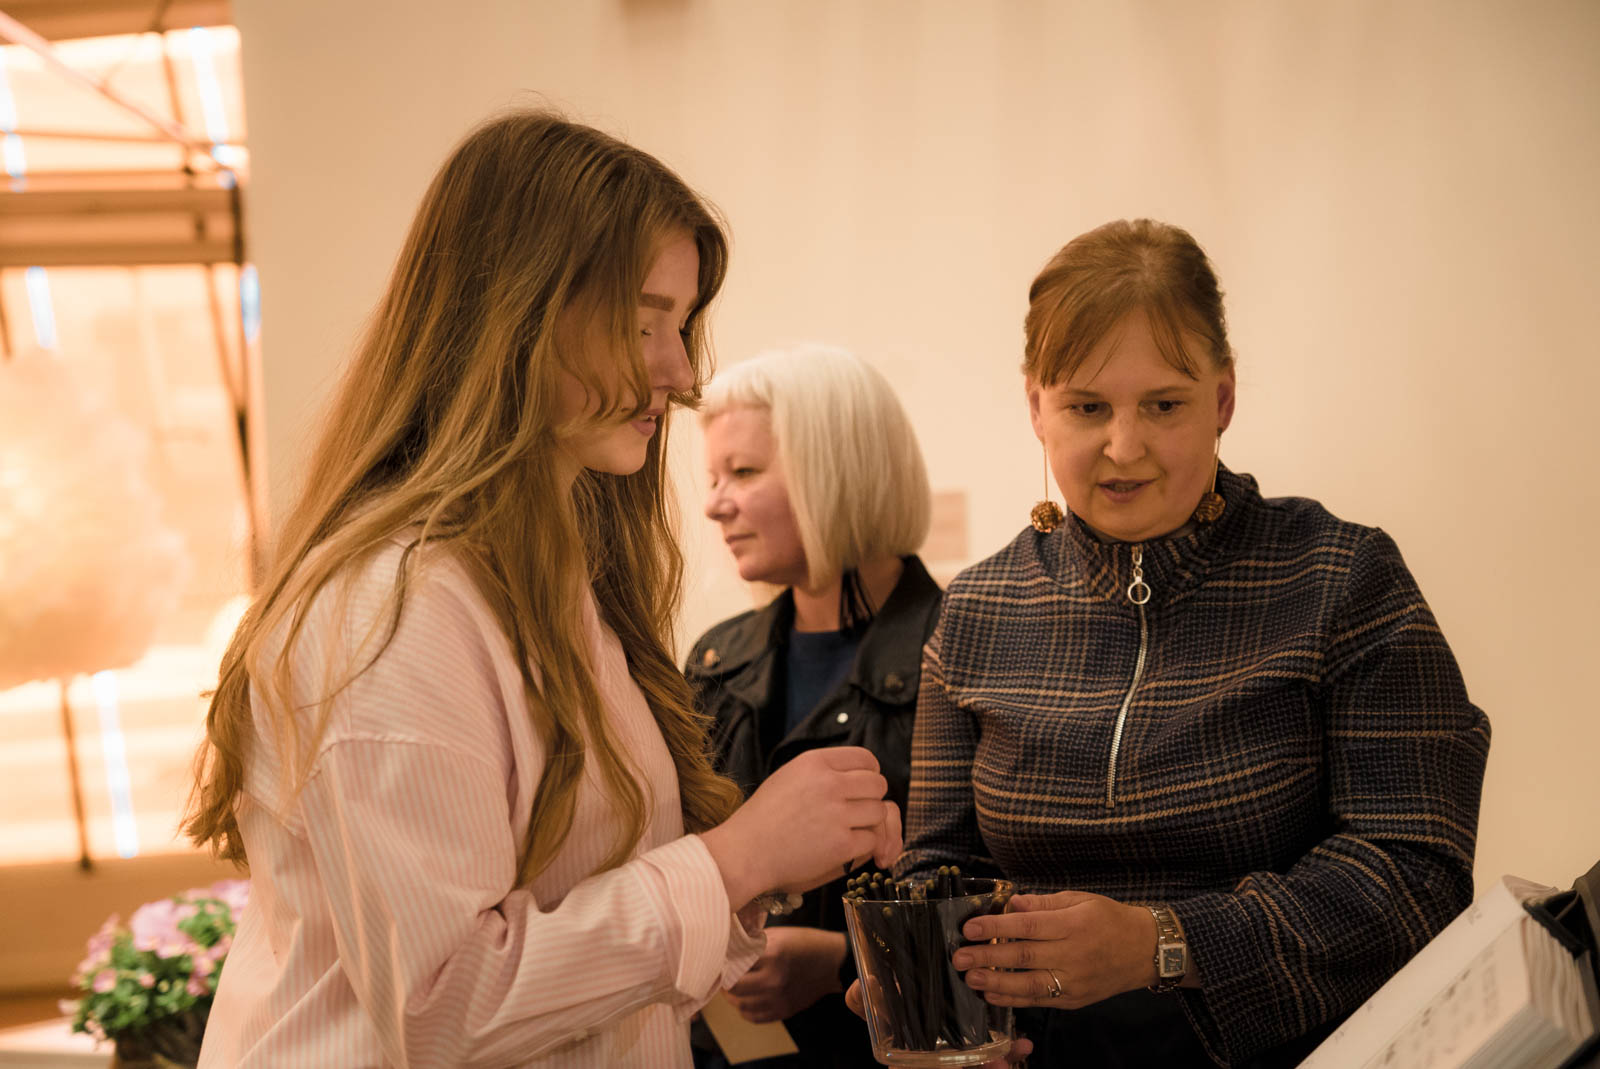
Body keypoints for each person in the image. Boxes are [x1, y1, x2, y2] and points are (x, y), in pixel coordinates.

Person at [181, 112, 900, 1068]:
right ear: (518, 316)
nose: (681, 373)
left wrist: (760, 867)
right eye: (642, 323)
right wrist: (739, 857)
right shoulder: (396, 607)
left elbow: (581, 943)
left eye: (680, 325)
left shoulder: (552, 585)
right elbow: (446, 1006)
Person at [892, 219, 1490, 1068]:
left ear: (1223, 399)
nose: (1124, 446)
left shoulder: (1341, 578)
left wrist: (1164, 943)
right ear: (1035, 407)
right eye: (1087, 406)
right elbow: (937, 865)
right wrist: (928, 990)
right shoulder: (979, 608)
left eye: (1164, 404)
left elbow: (1417, 872)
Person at [683, 345, 941, 1067]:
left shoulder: (959, 654)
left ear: (837, 471)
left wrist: (840, 963)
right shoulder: (714, 659)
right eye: (713, 477)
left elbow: (999, 896)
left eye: (743, 472)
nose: (714, 504)